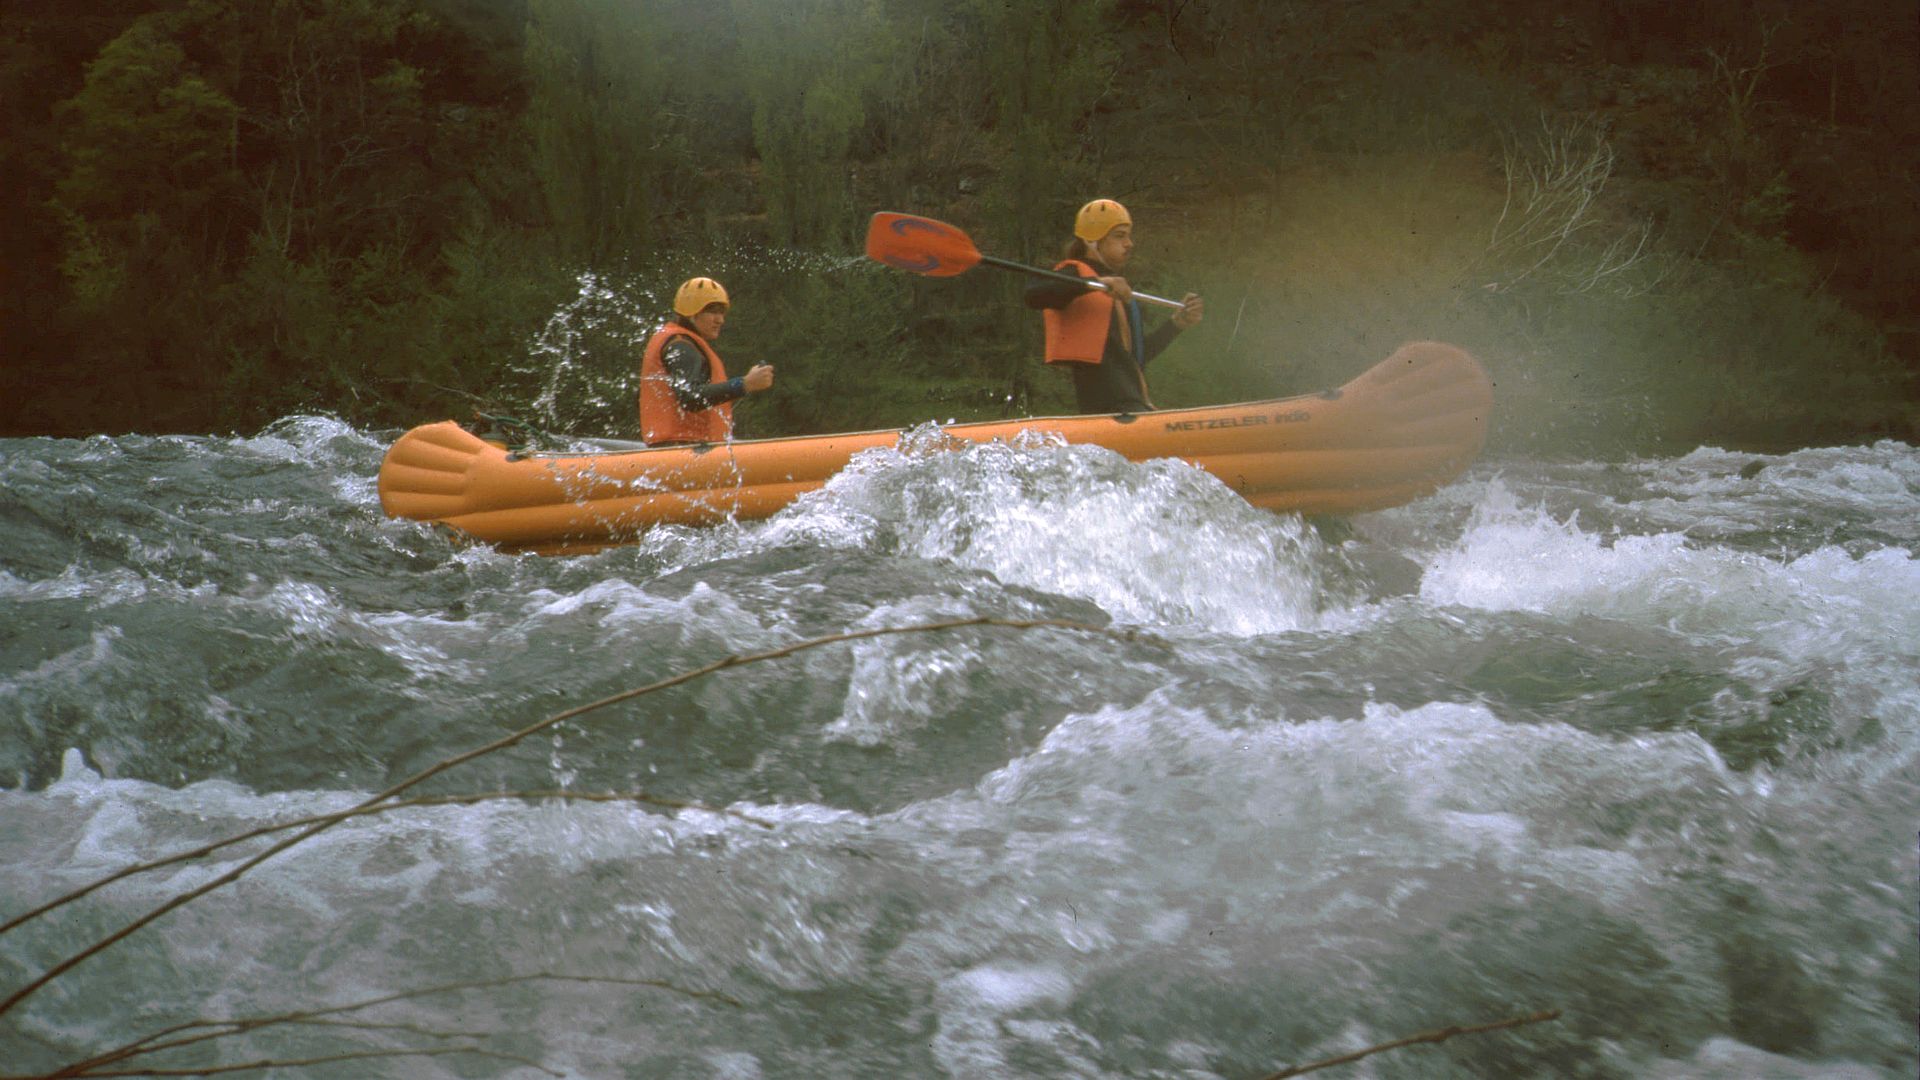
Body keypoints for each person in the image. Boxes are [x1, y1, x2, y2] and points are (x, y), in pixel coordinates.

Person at [1023, 198, 1203, 415]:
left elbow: (1138, 356)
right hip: (1108, 408)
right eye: (1119, 235)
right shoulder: (1076, 274)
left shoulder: (1117, 289)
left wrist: (1176, 325)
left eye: (1128, 235)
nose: (1129, 243)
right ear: (1092, 241)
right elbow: (1033, 295)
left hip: (1133, 404)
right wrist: (1094, 284)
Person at [637, 277, 774, 445]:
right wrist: (744, 384)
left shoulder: (678, 341)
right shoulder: (681, 346)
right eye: (713, 311)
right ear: (691, 313)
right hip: (684, 447)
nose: (720, 320)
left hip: (683, 446)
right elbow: (690, 397)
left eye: (722, 312)